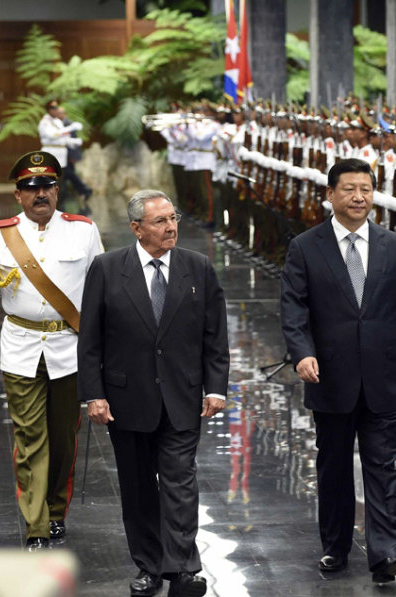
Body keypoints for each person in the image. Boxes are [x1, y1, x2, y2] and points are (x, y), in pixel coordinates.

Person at [280, 158, 396, 584]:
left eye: (365, 189)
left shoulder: (392, 244)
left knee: (382, 466)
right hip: (330, 376)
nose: (358, 197)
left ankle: (386, 553)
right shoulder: (306, 246)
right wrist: (301, 353)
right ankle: (336, 547)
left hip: (384, 375)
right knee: (335, 466)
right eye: (349, 189)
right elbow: (294, 308)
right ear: (330, 194)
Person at [78, 189, 229, 597]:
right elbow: (90, 339)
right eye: (160, 221)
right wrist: (93, 393)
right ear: (136, 228)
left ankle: (181, 568)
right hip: (127, 401)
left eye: (173, 217)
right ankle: (148, 566)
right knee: (138, 487)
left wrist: (217, 388)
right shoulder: (108, 269)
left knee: (181, 483)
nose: (171, 226)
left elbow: (215, 336)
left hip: (182, 397)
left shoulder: (198, 268)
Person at [0, 151, 103, 551]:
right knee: (30, 437)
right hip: (20, 348)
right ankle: (36, 524)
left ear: (58, 191)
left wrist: (104, 351)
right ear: (18, 195)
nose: (42, 194)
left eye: (49, 186)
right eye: (32, 187)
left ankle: (56, 510)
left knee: (63, 438)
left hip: (69, 350)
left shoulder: (83, 231)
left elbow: (101, 292)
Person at [56, 105, 93, 215]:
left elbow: (73, 142)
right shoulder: (58, 125)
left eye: (60, 113)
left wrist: (73, 157)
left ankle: (84, 190)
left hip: (68, 156)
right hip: (61, 156)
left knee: (68, 174)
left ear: (64, 114)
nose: (59, 115)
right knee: (66, 176)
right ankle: (82, 190)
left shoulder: (69, 124)